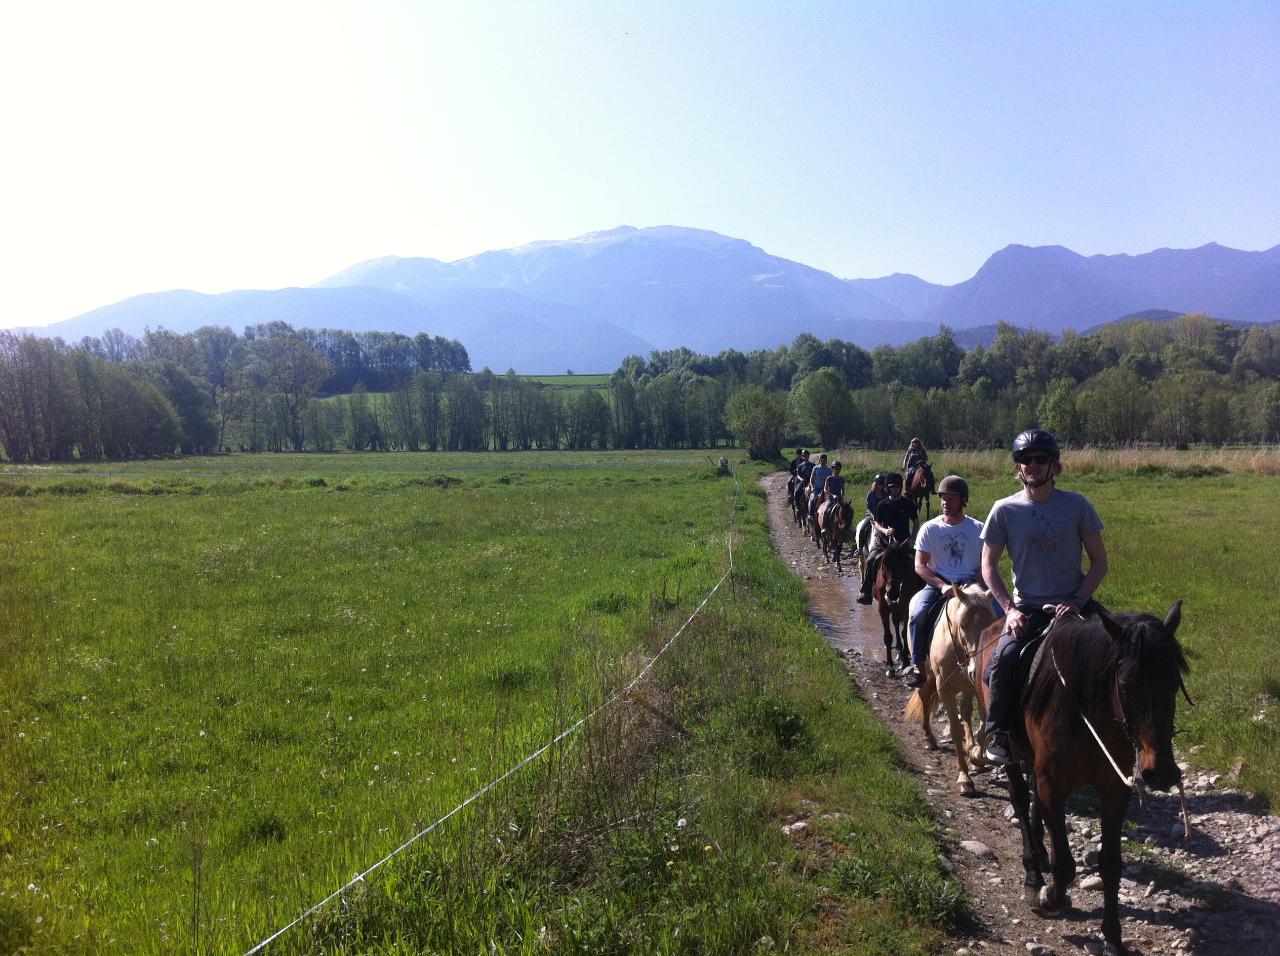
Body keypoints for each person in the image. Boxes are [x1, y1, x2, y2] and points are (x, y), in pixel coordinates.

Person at [979, 428, 1108, 766]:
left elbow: (1099, 562)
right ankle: (1001, 733)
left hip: (1074, 604)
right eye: (1025, 460)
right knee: (1001, 661)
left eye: (1040, 459)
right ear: (1018, 467)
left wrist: (1078, 601)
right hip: (1028, 608)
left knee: (1119, 653)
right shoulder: (1003, 510)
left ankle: (1127, 734)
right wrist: (1009, 610)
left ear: (1053, 466)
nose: (1032, 465)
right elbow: (988, 566)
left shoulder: (1077, 506)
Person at [901, 475, 984, 687]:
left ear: (963, 500)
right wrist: (942, 585)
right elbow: (920, 565)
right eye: (943, 498)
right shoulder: (930, 528)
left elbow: (986, 564)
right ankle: (918, 664)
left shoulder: (978, 529)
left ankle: (998, 666)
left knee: (1001, 616)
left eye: (951, 498)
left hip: (971, 586)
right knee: (918, 614)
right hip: (939, 584)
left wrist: (974, 580)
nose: (946, 502)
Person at [855, 472, 919, 605]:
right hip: (884, 543)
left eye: (897, 487)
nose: (895, 489)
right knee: (871, 559)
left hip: (904, 543)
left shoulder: (908, 504)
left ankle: (920, 591)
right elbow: (876, 524)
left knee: (918, 562)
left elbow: (916, 522)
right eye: (892, 487)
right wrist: (885, 530)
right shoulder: (882, 505)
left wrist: (913, 537)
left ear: (900, 487)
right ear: (888, 488)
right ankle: (865, 591)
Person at [808, 453, 833, 519]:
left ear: (826, 461)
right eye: (821, 460)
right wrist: (812, 487)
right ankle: (811, 515)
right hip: (817, 488)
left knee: (832, 501)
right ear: (819, 460)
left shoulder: (829, 470)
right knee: (813, 499)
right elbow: (812, 479)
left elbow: (831, 480)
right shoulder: (815, 468)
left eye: (824, 460)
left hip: (826, 489)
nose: (823, 461)